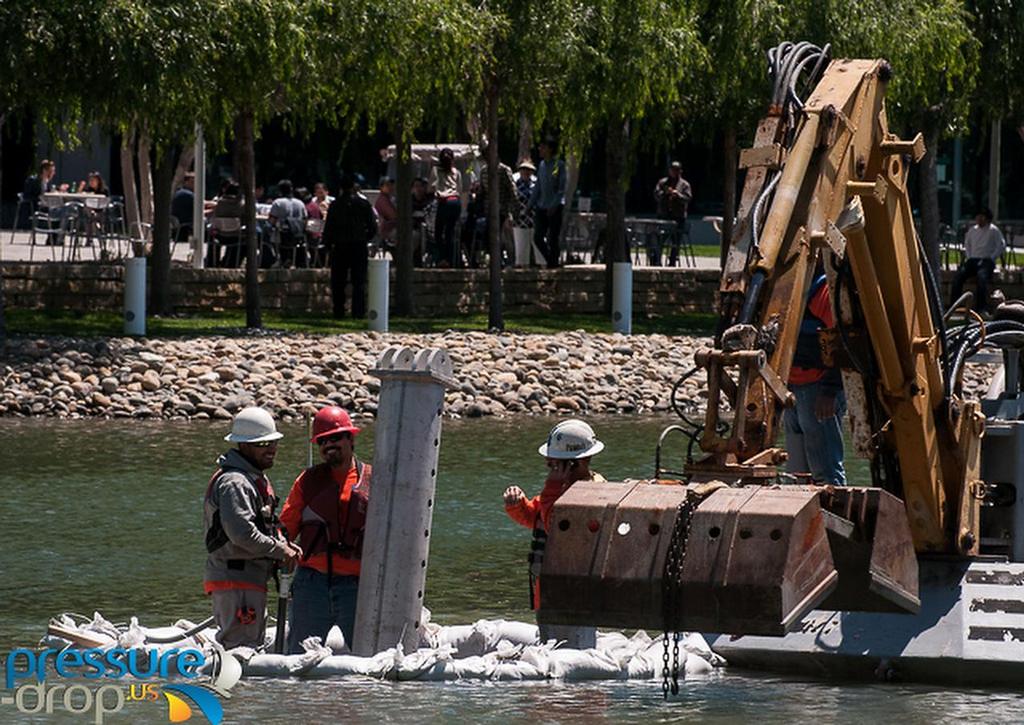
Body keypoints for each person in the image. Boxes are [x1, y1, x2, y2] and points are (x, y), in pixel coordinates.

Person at [203, 407, 302, 649]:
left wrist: (283, 544)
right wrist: (281, 551)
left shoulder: (252, 478)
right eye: (262, 444)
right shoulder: (235, 483)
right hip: (235, 580)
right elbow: (242, 534)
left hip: (247, 579)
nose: (271, 449)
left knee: (249, 645)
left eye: (273, 442)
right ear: (244, 446)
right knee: (240, 649)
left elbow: (262, 525)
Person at [502, 419, 605, 648]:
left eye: (554, 464)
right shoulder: (561, 489)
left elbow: (556, 526)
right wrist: (517, 505)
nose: (550, 467)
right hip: (551, 590)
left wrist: (552, 485)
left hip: (571, 592)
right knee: (551, 644)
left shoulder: (589, 492)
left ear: (573, 464)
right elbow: (535, 519)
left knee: (569, 650)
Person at [280, 406, 372, 653]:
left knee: (370, 659)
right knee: (299, 658)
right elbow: (284, 529)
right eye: (322, 441)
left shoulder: (374, 480)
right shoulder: (306, 481)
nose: (328, 445)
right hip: (312, 585)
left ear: (350, 439)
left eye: (335, 438)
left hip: (359, 586)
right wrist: (282, 549)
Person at [783, 273, 846, 486]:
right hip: (788, 387)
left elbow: (842, 340)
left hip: (817, 388)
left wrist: (829, 391)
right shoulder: (785, 284)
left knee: (825, 471)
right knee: (796, 475)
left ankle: (835, 513)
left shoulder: (823, 291)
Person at [322, 173, 377, 318]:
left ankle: (338, 310)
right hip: (358, 245)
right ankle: (358, 311)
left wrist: (328, 244)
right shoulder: (363, 204)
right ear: (354, 187)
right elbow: (372, 226)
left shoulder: (335, 205)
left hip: (340, 246)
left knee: (338, 281)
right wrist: (365, 238)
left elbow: (329, 227)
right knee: (358, 281)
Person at [951, 208, 1006, 313]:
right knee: (959, 277)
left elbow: (1001, 245)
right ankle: (954, 306)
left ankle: (981, 308)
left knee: (982, 278)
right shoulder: (973, 230)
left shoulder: (993, 230)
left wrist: (992, 257)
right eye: (978, 217)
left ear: (987, 218)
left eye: (982, 217)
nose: (979, 219)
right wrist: (969, 256)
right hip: (973, 260)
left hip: (986, 261)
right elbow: (967, 244)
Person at [529, 137, 567, 268]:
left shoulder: (559, 165)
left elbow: (562, 189)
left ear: (550, 149)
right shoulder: (541, 165)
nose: (540, 149)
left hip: (555, 207)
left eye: (543, 147)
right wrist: (529, 206)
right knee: (538, 237)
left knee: (553, 238)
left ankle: (553, 264)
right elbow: (538, 187)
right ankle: (551, 262)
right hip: (542, 205)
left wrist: (555, 205)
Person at [653, 161, 692, 267]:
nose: (673, 172)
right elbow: (657, 195)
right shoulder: (663, 183)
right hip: (664, 216)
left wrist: (677, 195)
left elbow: (687, 198)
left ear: (680, 171)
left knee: (676, 242)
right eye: (672, 170)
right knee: (659, 240)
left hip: (678, 218)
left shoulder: (684, 185)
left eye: (676, 170)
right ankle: (657, 262)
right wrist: (665, 193)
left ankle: (672, 262)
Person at [428, 148, 463, 267]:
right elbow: (459, 189)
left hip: (444, 202)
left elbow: (431, 188)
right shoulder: (456, 172)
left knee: (438, 232)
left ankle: (441, 259)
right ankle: (450, 260)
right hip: (455, 201)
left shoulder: (436, 170)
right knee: (450, 232)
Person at [269, 179, 309, 268]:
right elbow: (305, 220)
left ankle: (278, 259)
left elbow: (272, 221)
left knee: (267, 233)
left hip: (283, 236)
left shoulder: (277, 202)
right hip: (299, 235)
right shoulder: (300, 203)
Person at [19, 160, 58, 227]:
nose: (53, 173)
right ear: (44, 171)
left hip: (46, 206)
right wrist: (40, 199)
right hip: (34, 208)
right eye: (51, 171)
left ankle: (54, 235)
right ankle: (53, 235)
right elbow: (27, 196)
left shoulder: (47, 182)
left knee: (61, 210)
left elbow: (49, 194)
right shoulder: (32, 180)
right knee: (57, 211)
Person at [512, 160, 536, 266]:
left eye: (528, 170)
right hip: (519, 220)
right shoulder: (515, 184)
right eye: (523, 170)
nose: (526, 172)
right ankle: (522, 268)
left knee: (538, 246)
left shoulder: (536, 183)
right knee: (521, 247)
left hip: (534, 219)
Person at [171, 172, 195, 242]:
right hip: (185, 224)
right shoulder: (187, 194)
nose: (194, 184)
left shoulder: (180, 192)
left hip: (179, 224)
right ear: (186, 182)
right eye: (192, 182)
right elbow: (201, 204)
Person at [373, 177, 398, 246]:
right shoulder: (382, 200)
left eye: (391, 185)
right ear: (381, 187)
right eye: (387, 185)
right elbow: (393, 216)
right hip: (387, 230)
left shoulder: (391, 198)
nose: (390, 187)